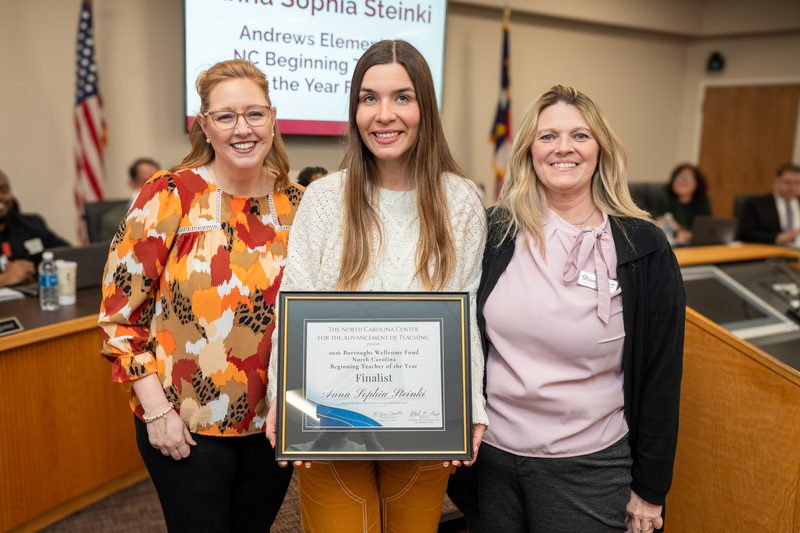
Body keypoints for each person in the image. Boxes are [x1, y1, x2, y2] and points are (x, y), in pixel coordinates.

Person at [265, 39, 488, 532]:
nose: (384, 115)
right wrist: (285, 398)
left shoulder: (463, 201)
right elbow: (292, 306)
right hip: (327, 421)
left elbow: (466, 309)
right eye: (369, 98)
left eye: (402, 97)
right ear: (354, 110)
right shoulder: (324, 199)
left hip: (425, 419)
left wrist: (471, 405)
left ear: (425, 107)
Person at [466, 85, 685, 532]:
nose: (563, 147)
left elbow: (662, 373)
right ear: (529, 149)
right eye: (547, 136)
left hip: (589, 466)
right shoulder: (495, 231)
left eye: (580, 135)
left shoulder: (642, 245)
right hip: (491, 459)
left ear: (600, 148)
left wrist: (650, 490)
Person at [98, 59, 302, 532]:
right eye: (226, 116)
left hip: (275, 425)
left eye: (254, 113)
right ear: (205, 126)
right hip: (183, 423)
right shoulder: (168, 194)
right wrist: (155, 410)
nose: (243, 128)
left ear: (273, 119)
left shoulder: (300, 203)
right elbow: (119, 318)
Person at [0, 168, 70, 287]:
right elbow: (11, 276)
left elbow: (70, 255)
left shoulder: (33, 225)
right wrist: (5, 278)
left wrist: (34, 275)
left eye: (4, 190)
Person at [737, 163, 800, 246]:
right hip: (771, 252)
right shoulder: (756, 204)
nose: (792, 187)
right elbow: (745, 234)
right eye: (787, 182)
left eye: (797, 183)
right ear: (776, 181)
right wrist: (778, 238)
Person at [652, 163, 711, 244]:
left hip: (696, 246)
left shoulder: (702, 200)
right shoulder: (664, 199)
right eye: (679, 177)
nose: (683, 181)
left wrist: (682, 230)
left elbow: (707, 230)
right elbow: (655, 223)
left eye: (689, 178)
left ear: (697, 182)